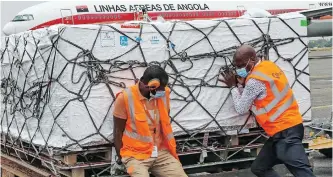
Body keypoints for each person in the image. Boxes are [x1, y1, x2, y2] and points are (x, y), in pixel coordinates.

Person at [220, 45, 316, 177]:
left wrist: (233, 87)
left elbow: (241, 108)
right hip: (285, 129)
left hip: (285, 132)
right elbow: (264, 94)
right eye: (236, 66)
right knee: (259, 168)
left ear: (252, 60)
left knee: (302, 172)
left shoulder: (254, 81)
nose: (239, 69)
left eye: (242, 65)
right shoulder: (269, 66)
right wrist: (243, 85)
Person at [112, 65, 188, 177]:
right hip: (134, 155)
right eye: (160, 88)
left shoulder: (164, 94)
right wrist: (122, 159)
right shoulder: (125, 98)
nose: (163, 90)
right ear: (151, 86)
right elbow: (118, 132)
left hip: (160, 152)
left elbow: (164, 121)